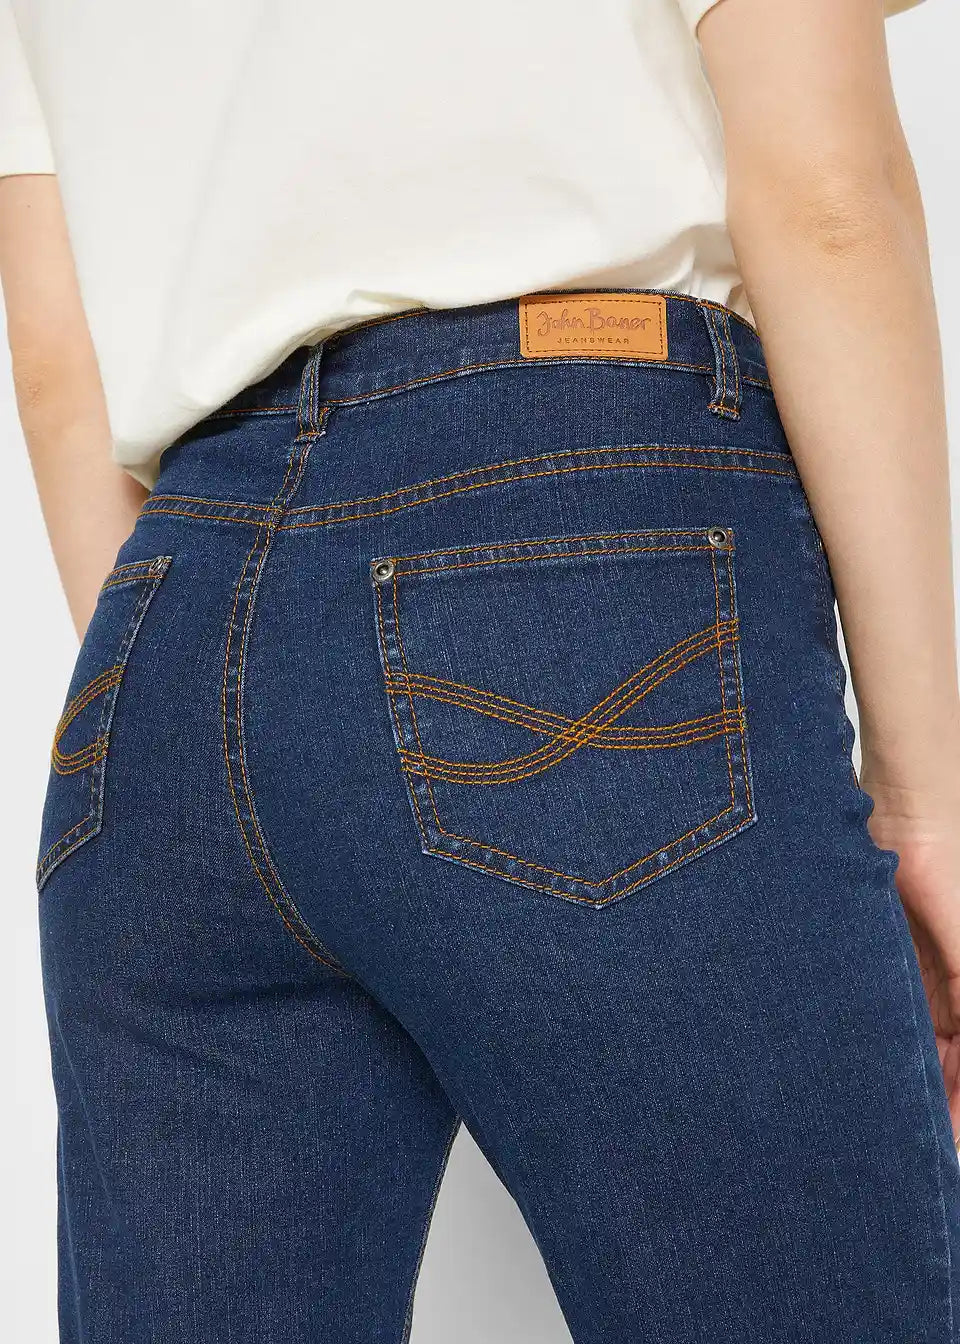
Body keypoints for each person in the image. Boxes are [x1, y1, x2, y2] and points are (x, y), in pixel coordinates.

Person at [3, 0, 958, 1339]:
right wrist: (925, 801)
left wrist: (217, 706)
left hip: (166, 620)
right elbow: (829, 196)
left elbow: (58, 363)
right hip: (577, 516)